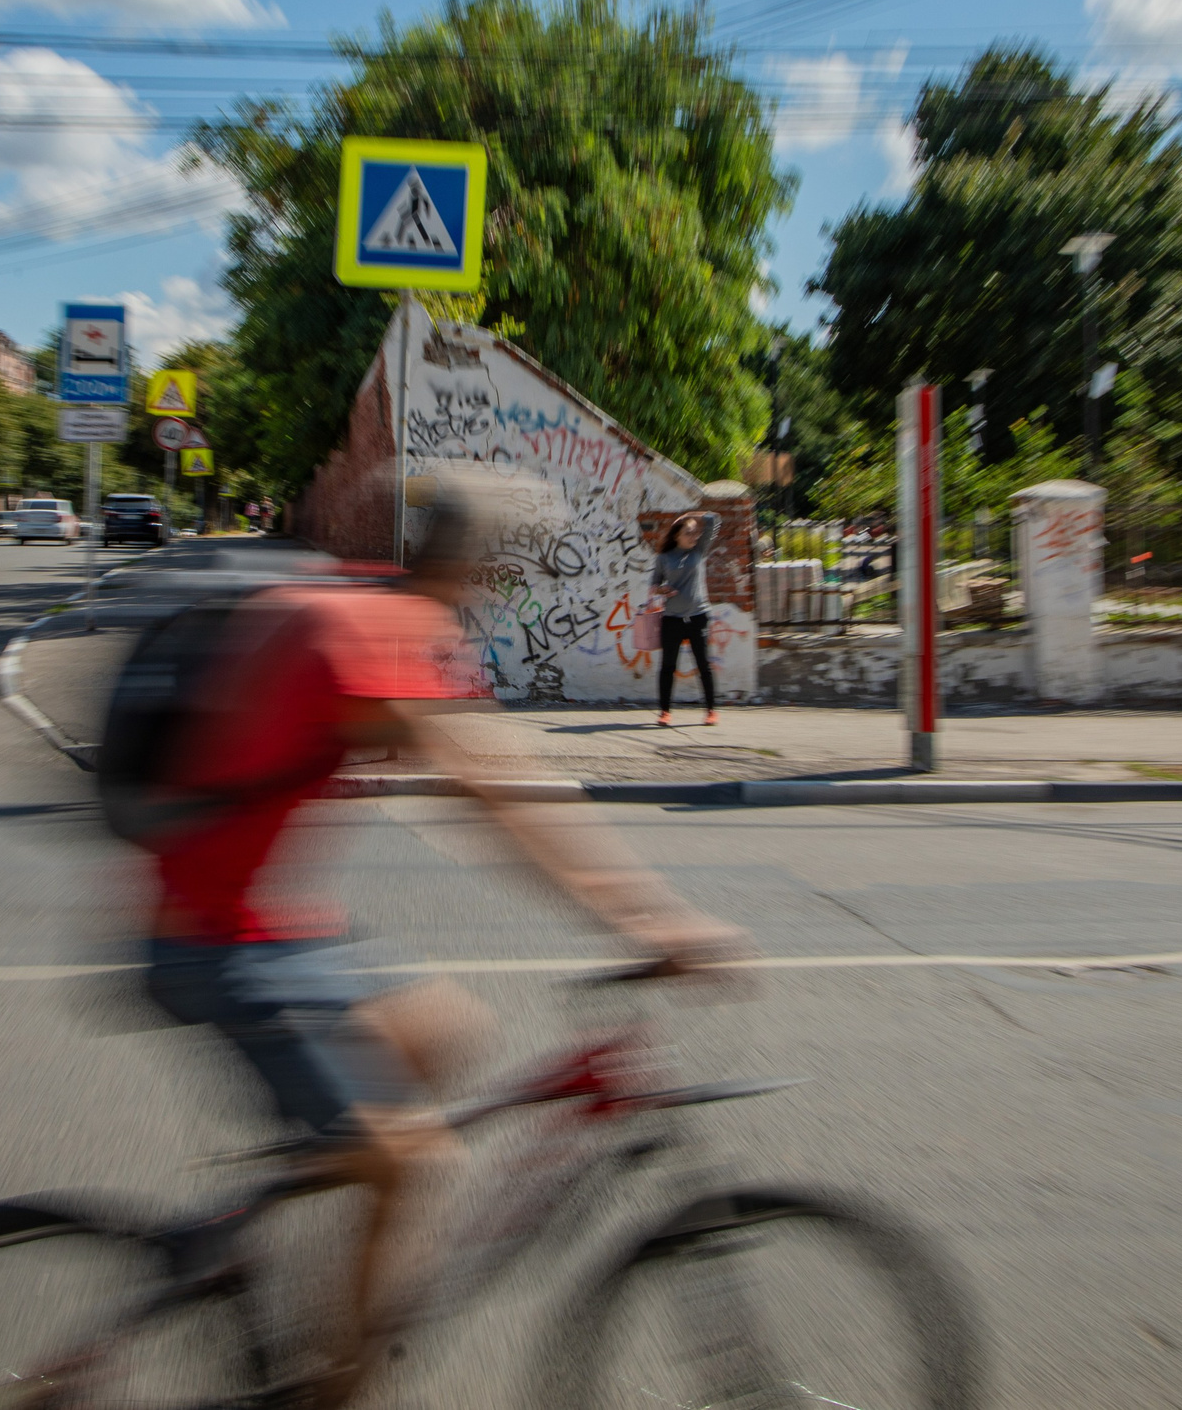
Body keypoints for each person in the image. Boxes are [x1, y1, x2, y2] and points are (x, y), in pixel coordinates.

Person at [134, 485, 745, 1408]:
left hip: (273, 922)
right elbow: (498, 793)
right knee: (419, 1161)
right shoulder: (372, 634)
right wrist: (652, 919)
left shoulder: (376, 609)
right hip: (213, 939)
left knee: (443, 1030)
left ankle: (276, 1249)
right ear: (475, 572)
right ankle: (332, 1385)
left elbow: (491, 774)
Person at [649, 511, 719, 727]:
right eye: (688, 532)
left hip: (698, 617)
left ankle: (710, 710)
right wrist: (663, 590)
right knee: (668, 666)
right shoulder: (664, 558)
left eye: (695, 533)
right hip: (672, 619)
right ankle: (664, 712)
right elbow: (653, 587)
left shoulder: (699, 550)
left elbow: (714, 520)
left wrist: (691, 515)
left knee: (703, 665)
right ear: (677, 535)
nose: (694, 536)